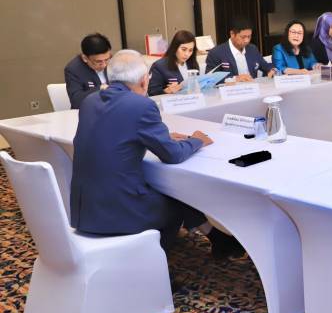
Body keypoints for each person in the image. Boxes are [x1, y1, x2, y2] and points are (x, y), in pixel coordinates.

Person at [70, 50, 241, 257]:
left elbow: (115, 130)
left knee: (166, 192)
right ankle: (151, 263)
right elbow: (173, 155)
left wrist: (161, 136)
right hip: (120, 210)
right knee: (178, 197)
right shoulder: (142, 105)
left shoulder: (90, 101)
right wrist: (197, 140)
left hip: (85, 209)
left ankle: (218, 239)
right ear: (144, 80)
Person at [205, 17, 274, 83]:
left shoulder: (252, 49)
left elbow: (265, 65)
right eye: (243, 37)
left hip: (252, 87)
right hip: (230, 89)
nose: (247, 40)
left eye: (249, 36)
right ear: (232, 34)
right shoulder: (216, 52)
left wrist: (271, 70)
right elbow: (209, 78)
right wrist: (235, 78)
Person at [64, 33, 112, 109]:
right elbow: (76, 101)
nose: (104, 65)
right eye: (98, 62)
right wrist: (100, 88)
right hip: (91, 110)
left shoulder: (115, 61)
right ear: (85, 58)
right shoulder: (74, 69)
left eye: (106, 59)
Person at [147, 30, 200, 96]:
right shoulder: (159, 66)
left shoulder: (192, 64)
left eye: (190, 50)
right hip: (172, 101)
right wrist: (167, 91)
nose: (187, 54)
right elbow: (152, 92)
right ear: (175, 47)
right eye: (183, 49)